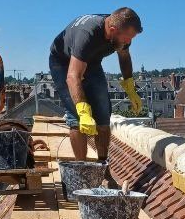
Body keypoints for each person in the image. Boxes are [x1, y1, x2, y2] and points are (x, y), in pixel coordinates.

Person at [48, 8, 144, 164]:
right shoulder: (87, 36)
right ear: (112, 30)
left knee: (102, 115)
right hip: (63, 63)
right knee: (78, 119)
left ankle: (102, 167)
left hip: (92, 62)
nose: (128, 42)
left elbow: (124, 57)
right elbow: (73, 76)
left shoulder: (121, 31)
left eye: (131, 38)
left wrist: (130, 87)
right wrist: (83, 110)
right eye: (126, 38)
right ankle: (82, 168)